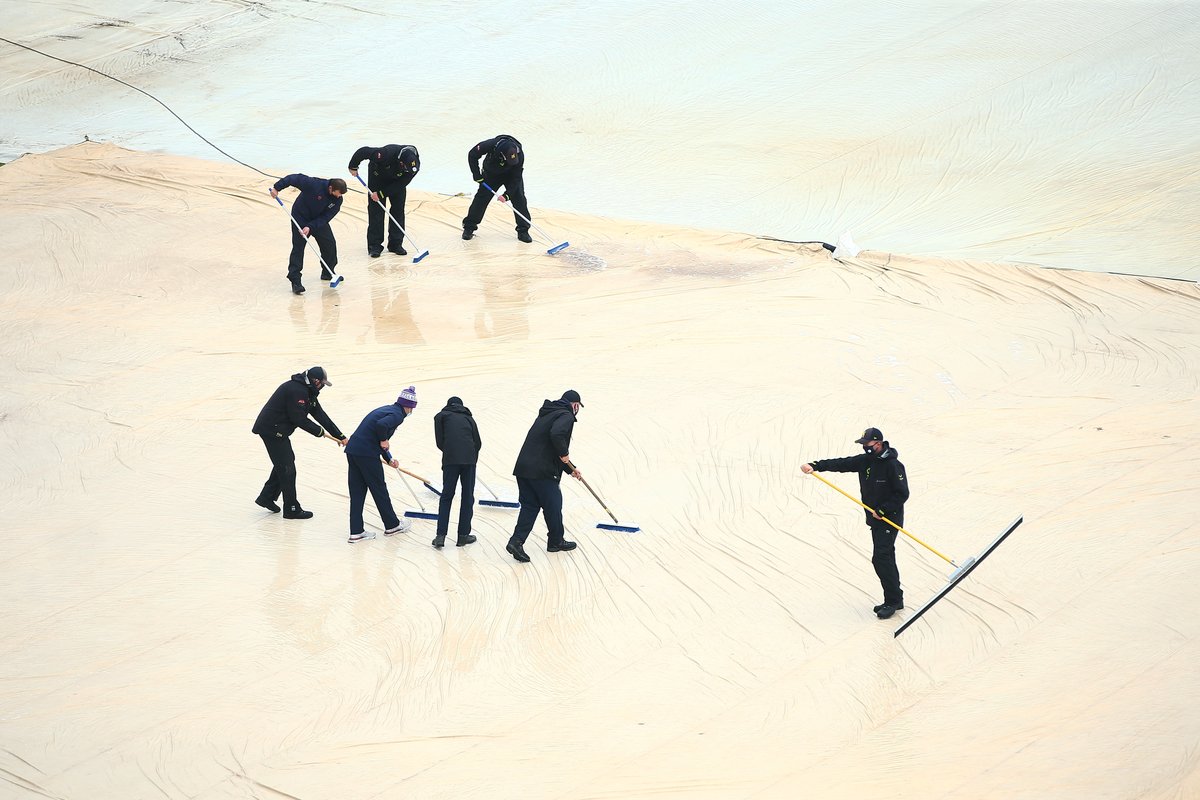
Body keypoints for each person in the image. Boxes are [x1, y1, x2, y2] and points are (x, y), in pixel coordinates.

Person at [801, 427, 910, 619]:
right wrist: (815, 465)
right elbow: (841, 463)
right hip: (874, 519)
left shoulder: (893, 465)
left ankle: (893, 601)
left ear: (878, 443)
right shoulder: (866, 461)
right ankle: (895, 598)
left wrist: (883, 509)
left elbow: (902, 493)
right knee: (885, 557)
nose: (864, 448)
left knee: (881, 558)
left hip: (888, 519)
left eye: (867, 444)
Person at [252, 366, 346, 520]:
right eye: (322, 384)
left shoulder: (307, 391)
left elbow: (320, 414)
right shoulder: (297, 391)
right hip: (271, 430)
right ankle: (291, 508)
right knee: (288, 469)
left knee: (285, 464)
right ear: (315, 381)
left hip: (278, 431)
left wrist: (340, 435)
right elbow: (299, 418)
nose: (322, 387)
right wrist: (319, 431)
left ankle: (266, 497)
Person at [505, 390, 585, 563]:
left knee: (530, 506)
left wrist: (571, 469)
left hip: (524, 468)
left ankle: (516, 542)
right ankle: (556, 540)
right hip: (542, 471)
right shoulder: (566, 415)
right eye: (578, 406)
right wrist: (564, 452)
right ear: (575, 405)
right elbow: (556, 435)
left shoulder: (547, 413)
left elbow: (547, 446)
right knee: (554, 504)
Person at [342, 386, 419, 543]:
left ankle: (356, 532)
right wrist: (384, 440)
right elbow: (381, 427)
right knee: (379, 489)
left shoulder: (387, 409)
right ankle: (392, 525)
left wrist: (389, 459)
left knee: (357, 492)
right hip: (366, 454)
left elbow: (377, 436)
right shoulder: (398, 415)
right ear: (408, 406)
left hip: (353, 451)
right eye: (411, 409)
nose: (410, 412)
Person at [269, 174, 347, 294]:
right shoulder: (314, 184)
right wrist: (276, 188)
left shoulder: (338, 200)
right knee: (298, 248)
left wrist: (310, 226)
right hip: (300, 217)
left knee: (330, 244)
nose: (339, 196)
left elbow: (327, 216)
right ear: (331, 188)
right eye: (338, 193)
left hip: (317, 221)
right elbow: (293, 178)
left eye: (341, 194)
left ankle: (328, 272)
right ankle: (295, 281)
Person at [347, 144, 420, 258]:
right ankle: (375, 246)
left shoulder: (414, 166)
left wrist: (381, 194)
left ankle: (395, 244)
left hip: (397, 182)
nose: (408, 171)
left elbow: (402, 183)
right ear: (401, 163)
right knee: (376, 211)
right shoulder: (385, 154)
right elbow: (363, 151)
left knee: (398, 210)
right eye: (405, 168)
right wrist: (353, 166)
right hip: (377, 177)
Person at [461, 134, 533, 243]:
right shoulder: (490, 145)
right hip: (491, 173)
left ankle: (523, 230)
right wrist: (476, 175)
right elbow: (472, 154)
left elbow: (517, 176)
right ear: (502, 155)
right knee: (481, 198)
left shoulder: (519, 154)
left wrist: (507, 195)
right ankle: (469, 227)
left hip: (511, 175)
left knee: (519, 199)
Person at [432, 396, 482, 549]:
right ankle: (463, 536)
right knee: (467, 497)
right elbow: (478, 442)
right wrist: (470, 458)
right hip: (469, 460)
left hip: (450, 460)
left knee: (447, 496)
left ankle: (440, 536)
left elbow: (440, 442)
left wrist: (451, 452)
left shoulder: (440, 417)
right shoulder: (469, 418)